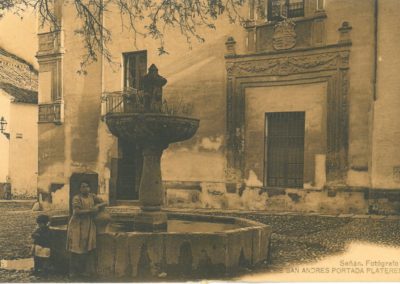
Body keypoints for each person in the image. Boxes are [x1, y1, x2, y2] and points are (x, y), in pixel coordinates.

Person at [66, 181, 107, 279]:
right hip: (77, 224)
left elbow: (105, 202)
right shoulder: (77, 198)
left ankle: (84, 270)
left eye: (87, 186)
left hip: (88, 224)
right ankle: (72, 271)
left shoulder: (92, 196)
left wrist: (98, 206)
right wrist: (91, 210)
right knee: (75, 248)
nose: (86, 188)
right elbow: (76, 212)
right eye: (83, 187)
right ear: (80, 189)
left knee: (86, 247)